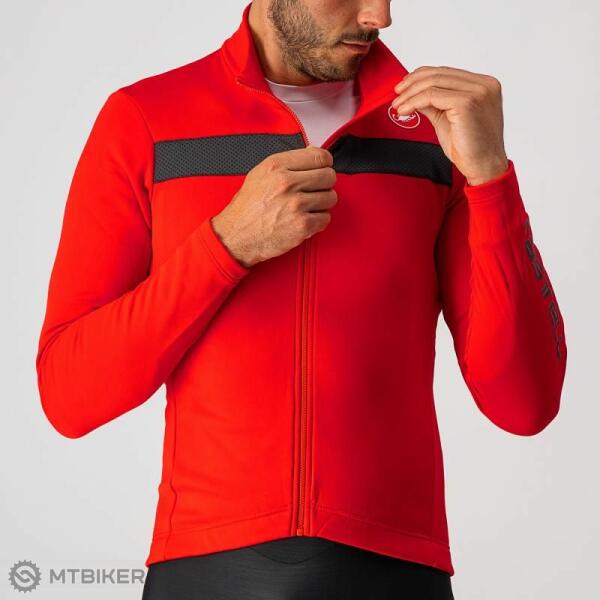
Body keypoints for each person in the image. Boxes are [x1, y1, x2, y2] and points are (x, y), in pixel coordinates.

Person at [35, 1, 567, 598]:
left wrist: (491, 177)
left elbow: (524, 404)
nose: (379, 16)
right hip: (205, 569)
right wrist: (226, 245)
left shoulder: (436, 132)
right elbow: (69, 394)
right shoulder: (148, 119)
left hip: (394, 568)